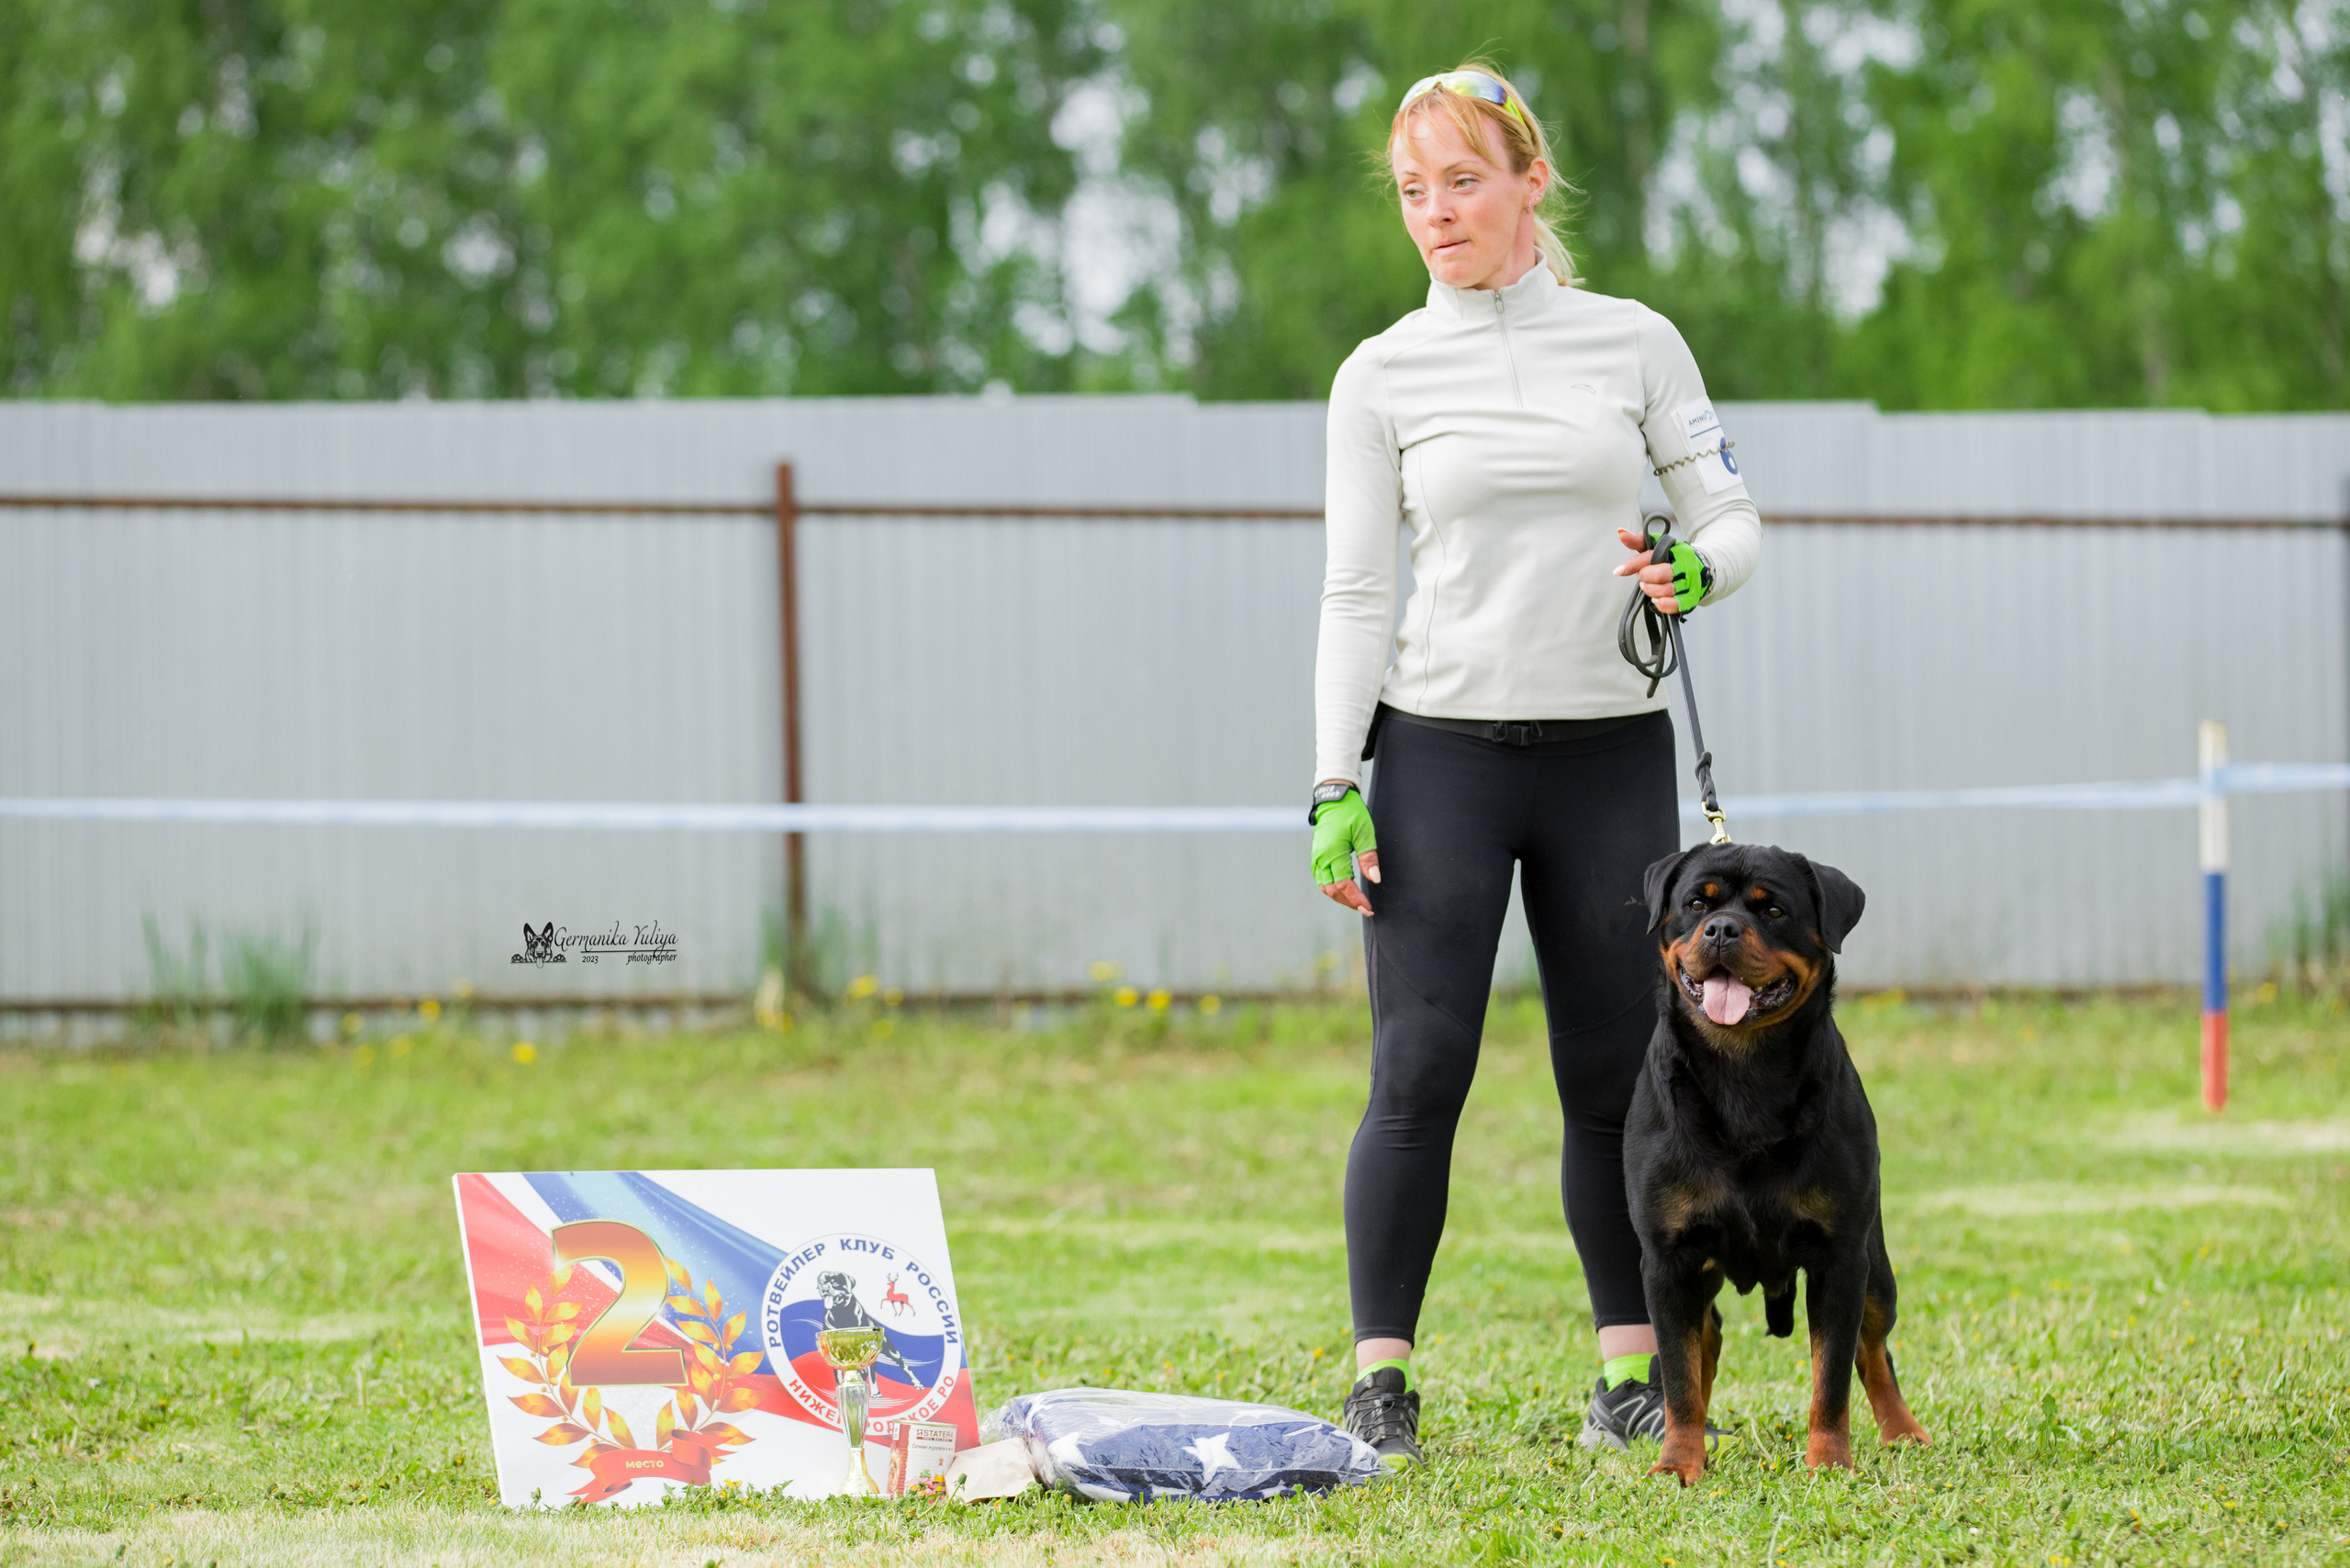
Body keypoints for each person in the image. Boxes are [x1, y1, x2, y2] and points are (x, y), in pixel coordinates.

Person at [1310, 62, 1761, 1467]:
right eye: (1411, 191)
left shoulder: (1633, 343)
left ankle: (1629, 1374)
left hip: (1607, 758)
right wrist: (1333, 783)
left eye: (1460, 182)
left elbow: (1733, 521)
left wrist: (1696, 568)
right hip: (1441, 754)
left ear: (1527, 184)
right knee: (1419, 1068)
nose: (1434, 214)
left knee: (1615, 1075)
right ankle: (1381, 1379)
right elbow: (1354, 594)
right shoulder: (1379, 373)